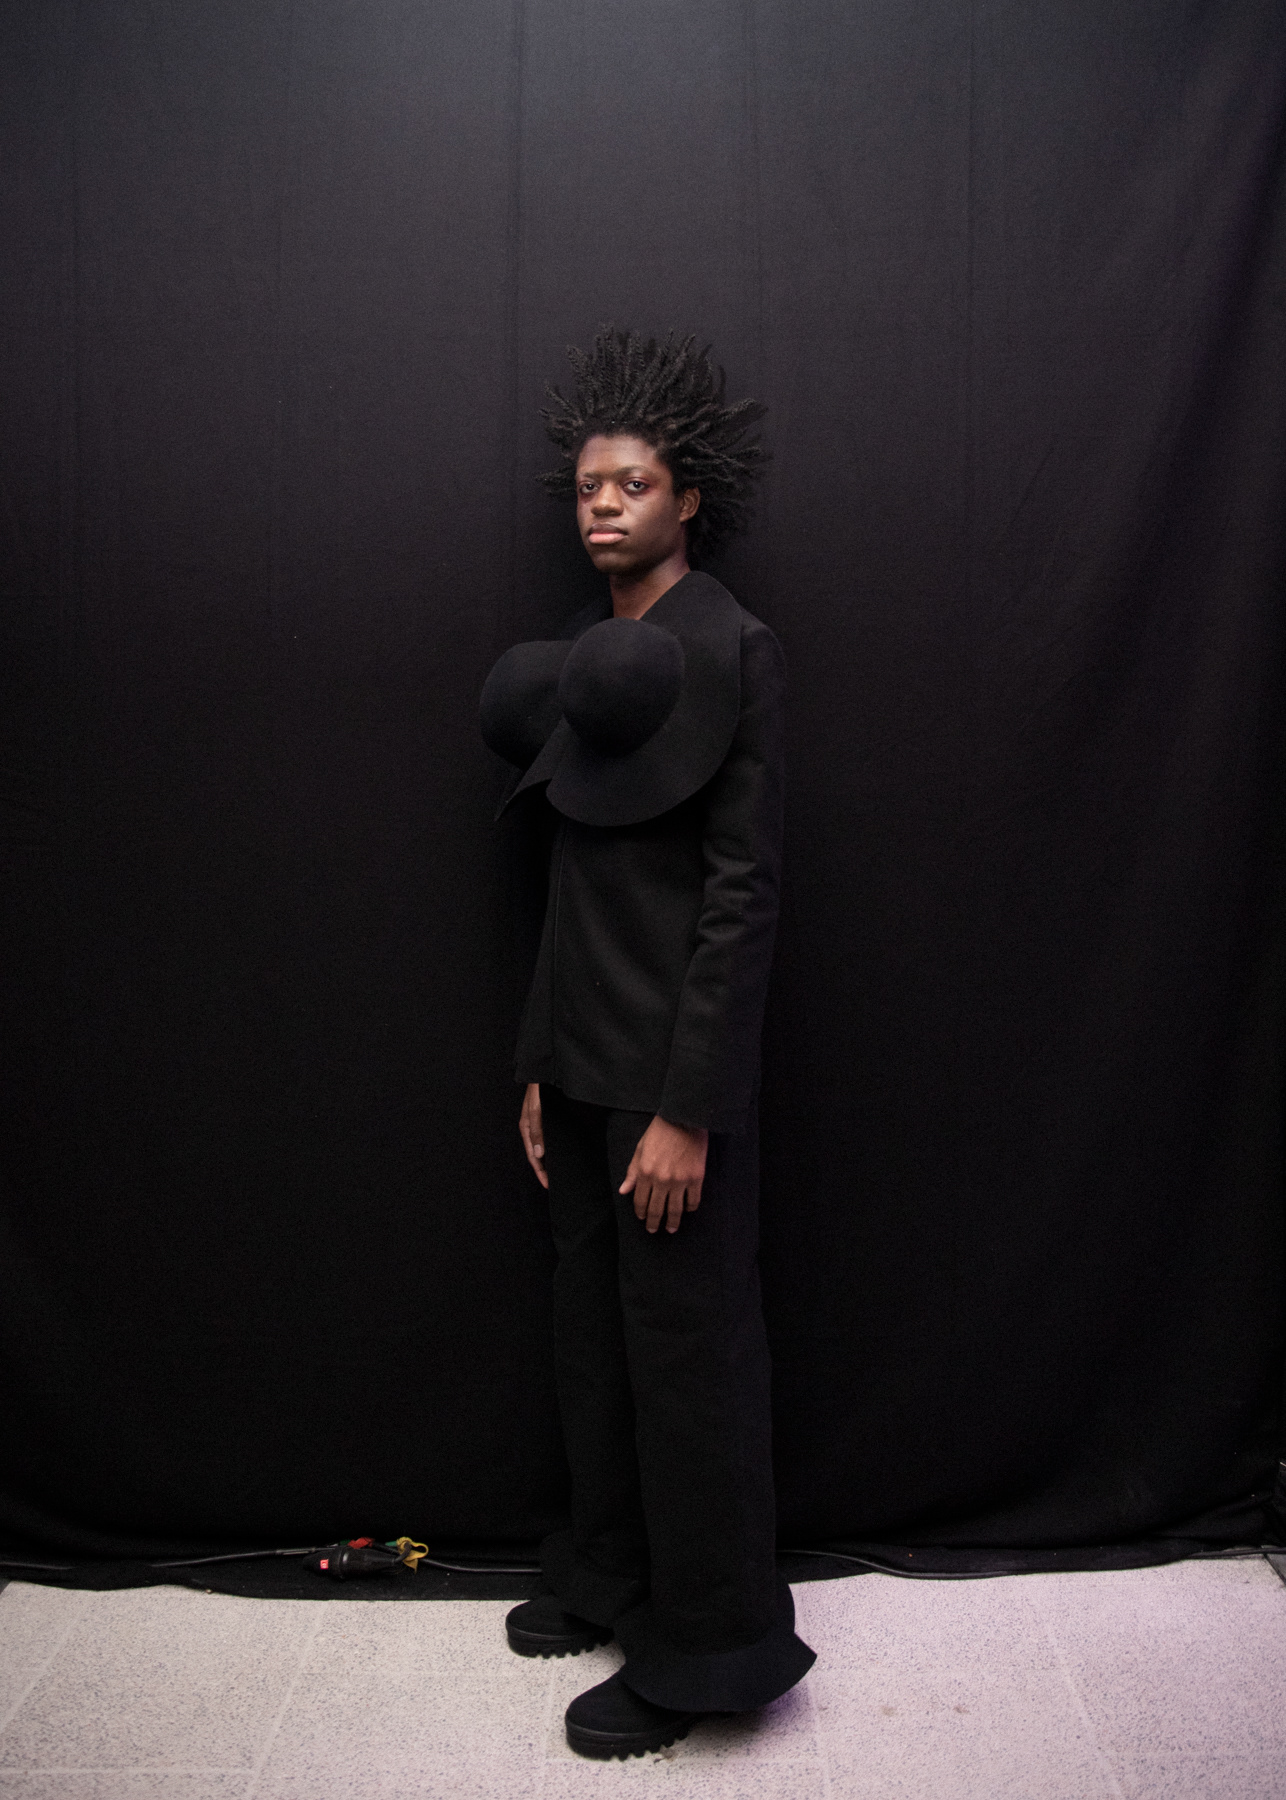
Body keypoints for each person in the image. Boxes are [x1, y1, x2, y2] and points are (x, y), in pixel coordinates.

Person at [479, 327, 814, 1760]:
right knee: (591, 1343)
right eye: (586, 487)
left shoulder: (735, 650)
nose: (603, 505)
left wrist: (690, 1107)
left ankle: (709, 1648)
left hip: (671, 1083)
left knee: (688, 1361)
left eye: (632, 484)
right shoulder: (585, 662)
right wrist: (537, 1062)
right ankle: (610, 1574)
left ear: (688, 500)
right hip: (580, 1062)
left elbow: (743, 898)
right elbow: (568, 883)